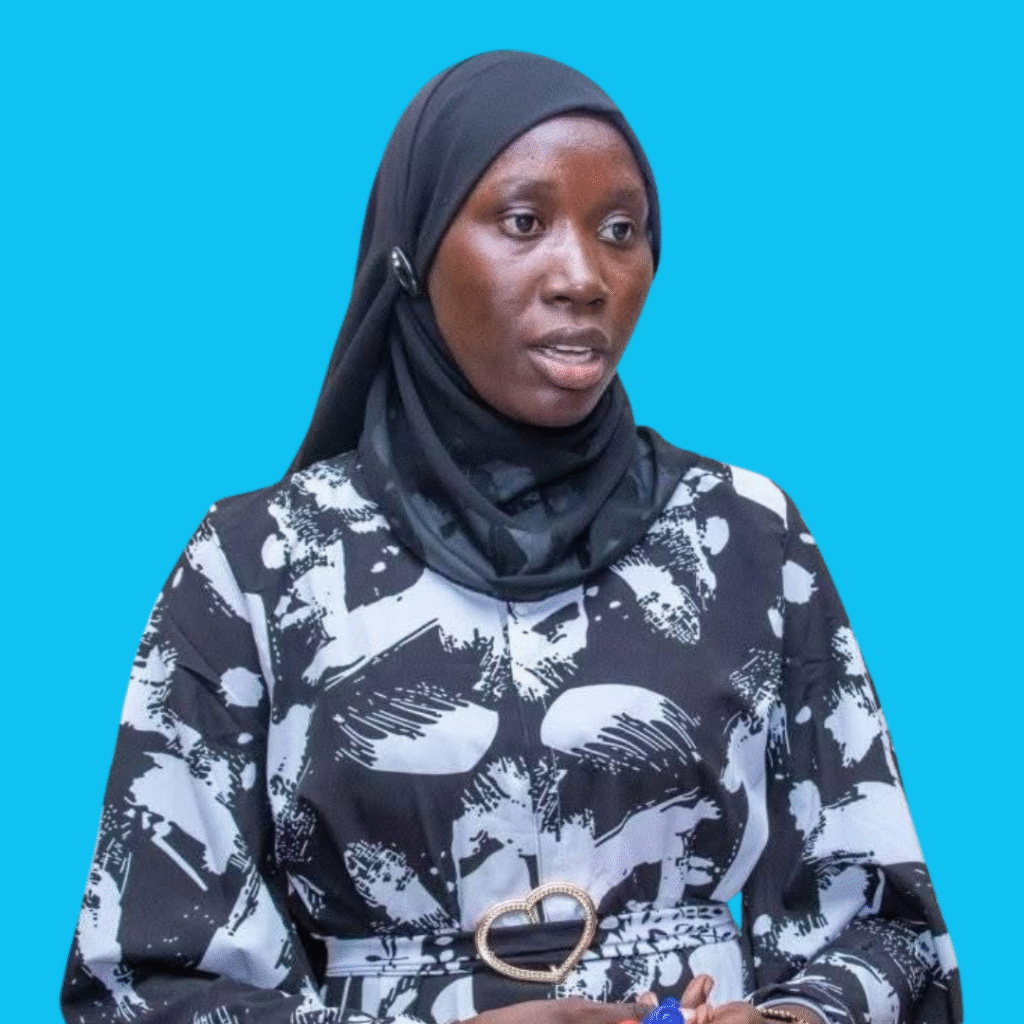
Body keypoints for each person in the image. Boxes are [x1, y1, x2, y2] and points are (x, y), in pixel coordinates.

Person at [61, 51, 961, 1024]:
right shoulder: (256, 566)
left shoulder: (744, 535)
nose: (584, 276)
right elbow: (142, 986)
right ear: (412, 250)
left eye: (621, 230)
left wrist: (792, 1018)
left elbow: (889, 929)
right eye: (524, 222)